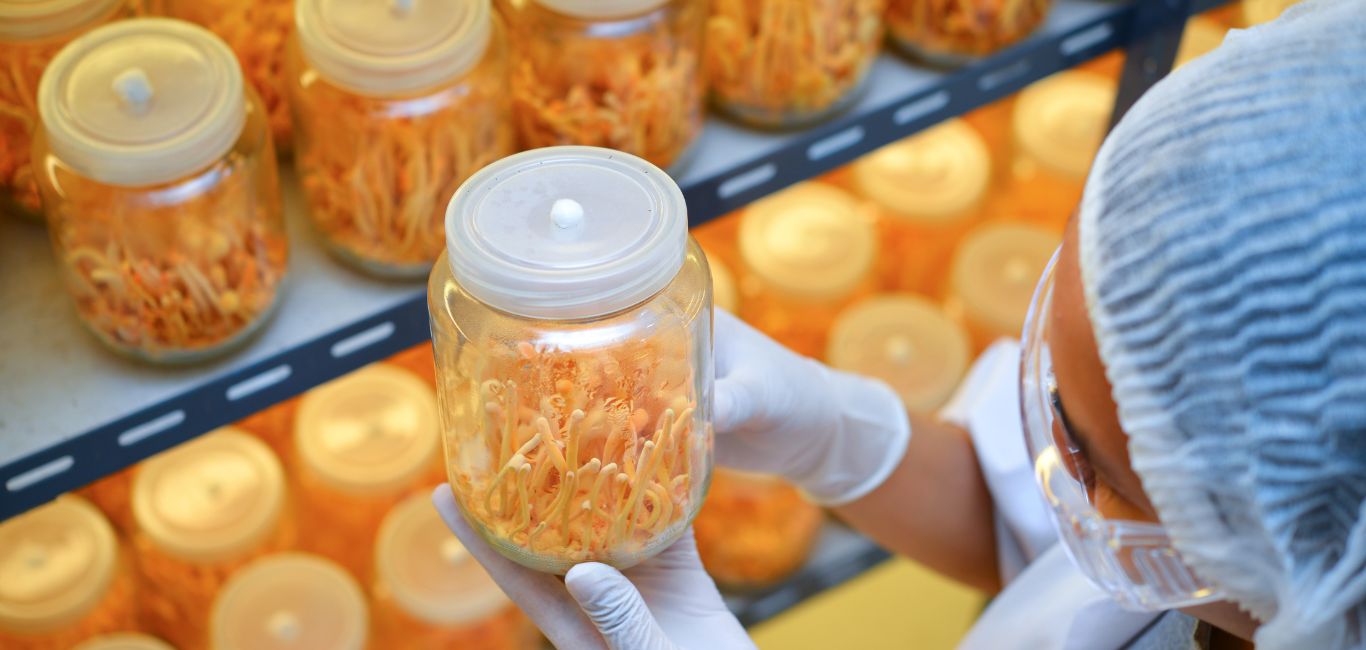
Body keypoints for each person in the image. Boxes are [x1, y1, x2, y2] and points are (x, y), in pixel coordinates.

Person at [432, 1, 1366, 648]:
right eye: (1050, 389)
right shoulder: (1227, 536)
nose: (1051, 460)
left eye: (1088, 457)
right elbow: (1045, 535)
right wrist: (841, 439)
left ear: (1305, 562)